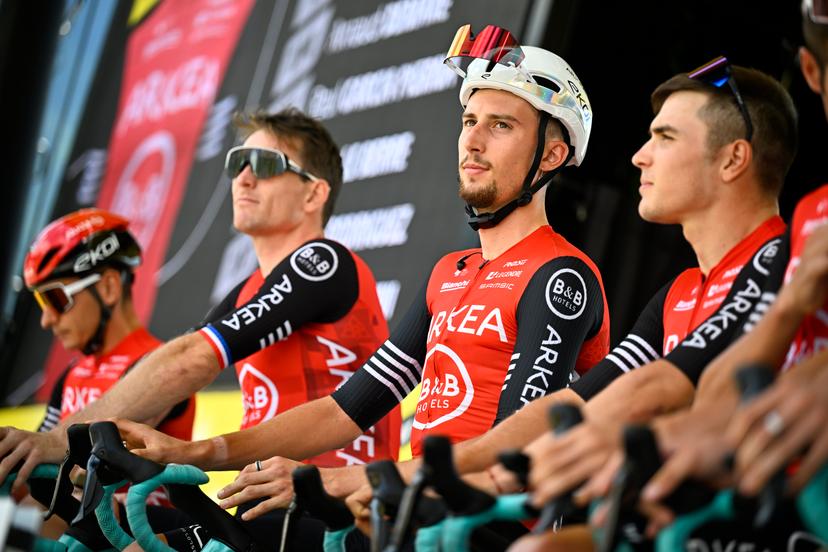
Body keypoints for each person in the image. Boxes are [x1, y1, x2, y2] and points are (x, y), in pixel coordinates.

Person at [115, 23, 610, 544]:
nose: (474, 141)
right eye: (469, 120)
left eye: (502, 126)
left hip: (493, 526)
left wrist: (330, 481)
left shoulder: (561, 275)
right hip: (418, 517)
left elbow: (514, 454)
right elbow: (344, 410)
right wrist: (194, 452)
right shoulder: (449, 273)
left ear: (551, 157)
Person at [0, 110, 400, 495]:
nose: (243, 179)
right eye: (238, 164)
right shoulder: (248, 290)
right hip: (268, 497)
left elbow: (192, 359)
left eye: (263, 165)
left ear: (314, 193)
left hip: (334, 505)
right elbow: (161, 389)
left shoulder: (325, 261)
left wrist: (59, 440)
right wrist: (82, 451)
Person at [21, 208, 195, 530]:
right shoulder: (72, 374)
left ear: (109, 288)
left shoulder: (156, 366)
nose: (46, 320)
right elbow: (35, 466)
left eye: (55, 299)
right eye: (41, 305)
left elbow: (86, 474)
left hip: (144, 530)